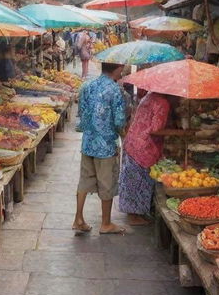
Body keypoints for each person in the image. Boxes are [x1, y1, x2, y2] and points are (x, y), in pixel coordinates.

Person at [74, 62, 127, 234]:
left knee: (84, 180)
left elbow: (81, 114)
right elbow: (119, 121)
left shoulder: (87, 86)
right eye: (122, 68)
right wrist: (123, 134)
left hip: (88, 142)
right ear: (117, 69)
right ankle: (105, 224)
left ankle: (78, 219)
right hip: (106, 146)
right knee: (107, 183)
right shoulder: (115, 90)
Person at [118, 92, 173, 226]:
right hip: (144, 147)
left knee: (131, 180)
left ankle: (133, 213)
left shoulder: (149, 96)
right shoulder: (163, 103)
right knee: (139, 182)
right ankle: (134, 216)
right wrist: (180, 133)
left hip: (133, 141)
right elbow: (155, 129)